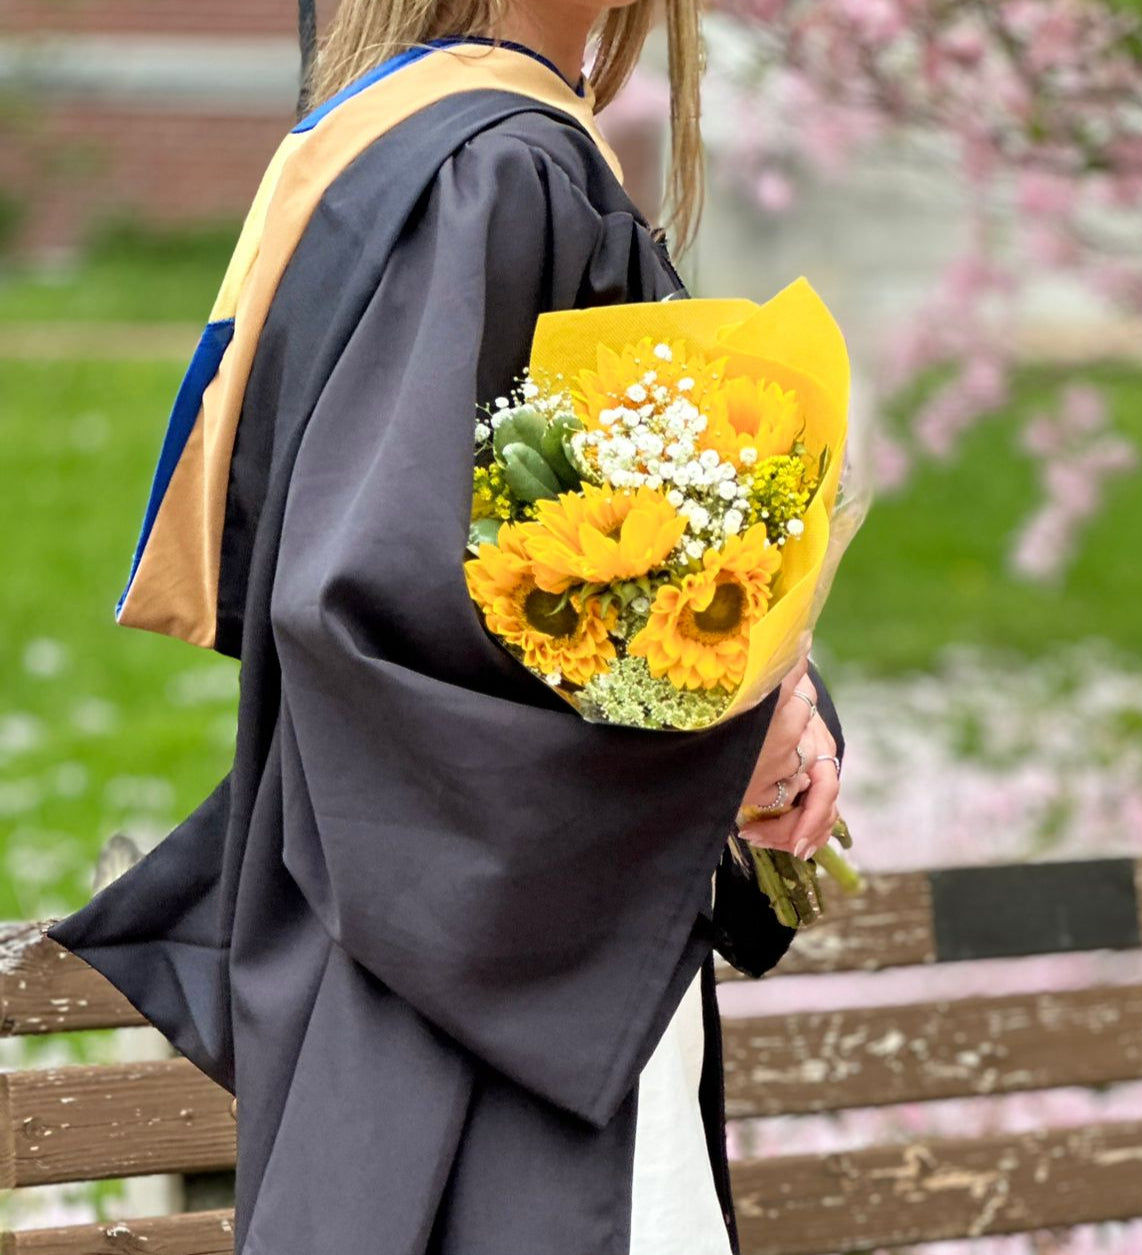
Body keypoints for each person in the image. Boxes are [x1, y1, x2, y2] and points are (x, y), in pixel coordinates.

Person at [47, 2, 845, 1252]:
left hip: (504, 977)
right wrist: (713, 753)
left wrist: (765, 699)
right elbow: (365, 622)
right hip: (466, 1024)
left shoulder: (472, 147)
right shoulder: (490, 165)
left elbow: (559, 587)